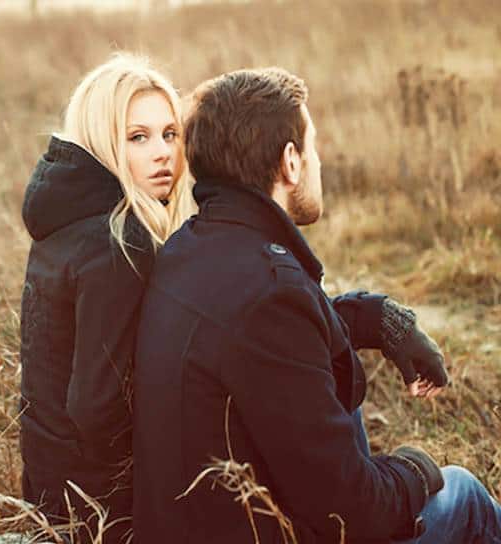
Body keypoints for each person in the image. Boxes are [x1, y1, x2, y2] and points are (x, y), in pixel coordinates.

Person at [133, 67, 501, 543]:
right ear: (290, 162)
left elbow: (276, 341)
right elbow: (352, 514)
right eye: (314, 149)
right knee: (464, 494)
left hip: (206, 524)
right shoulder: (270, 295)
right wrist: (416, 468)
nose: (318, 164)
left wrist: (378, 318)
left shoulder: (191, 249)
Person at [18, 53, 195, 543]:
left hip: (51, 488)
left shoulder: (64, 219)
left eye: (170, 133)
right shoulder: (120, 240)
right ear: (102, 141)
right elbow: (97, 405)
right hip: (103, 510)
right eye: (137, 137)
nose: (163, 154)